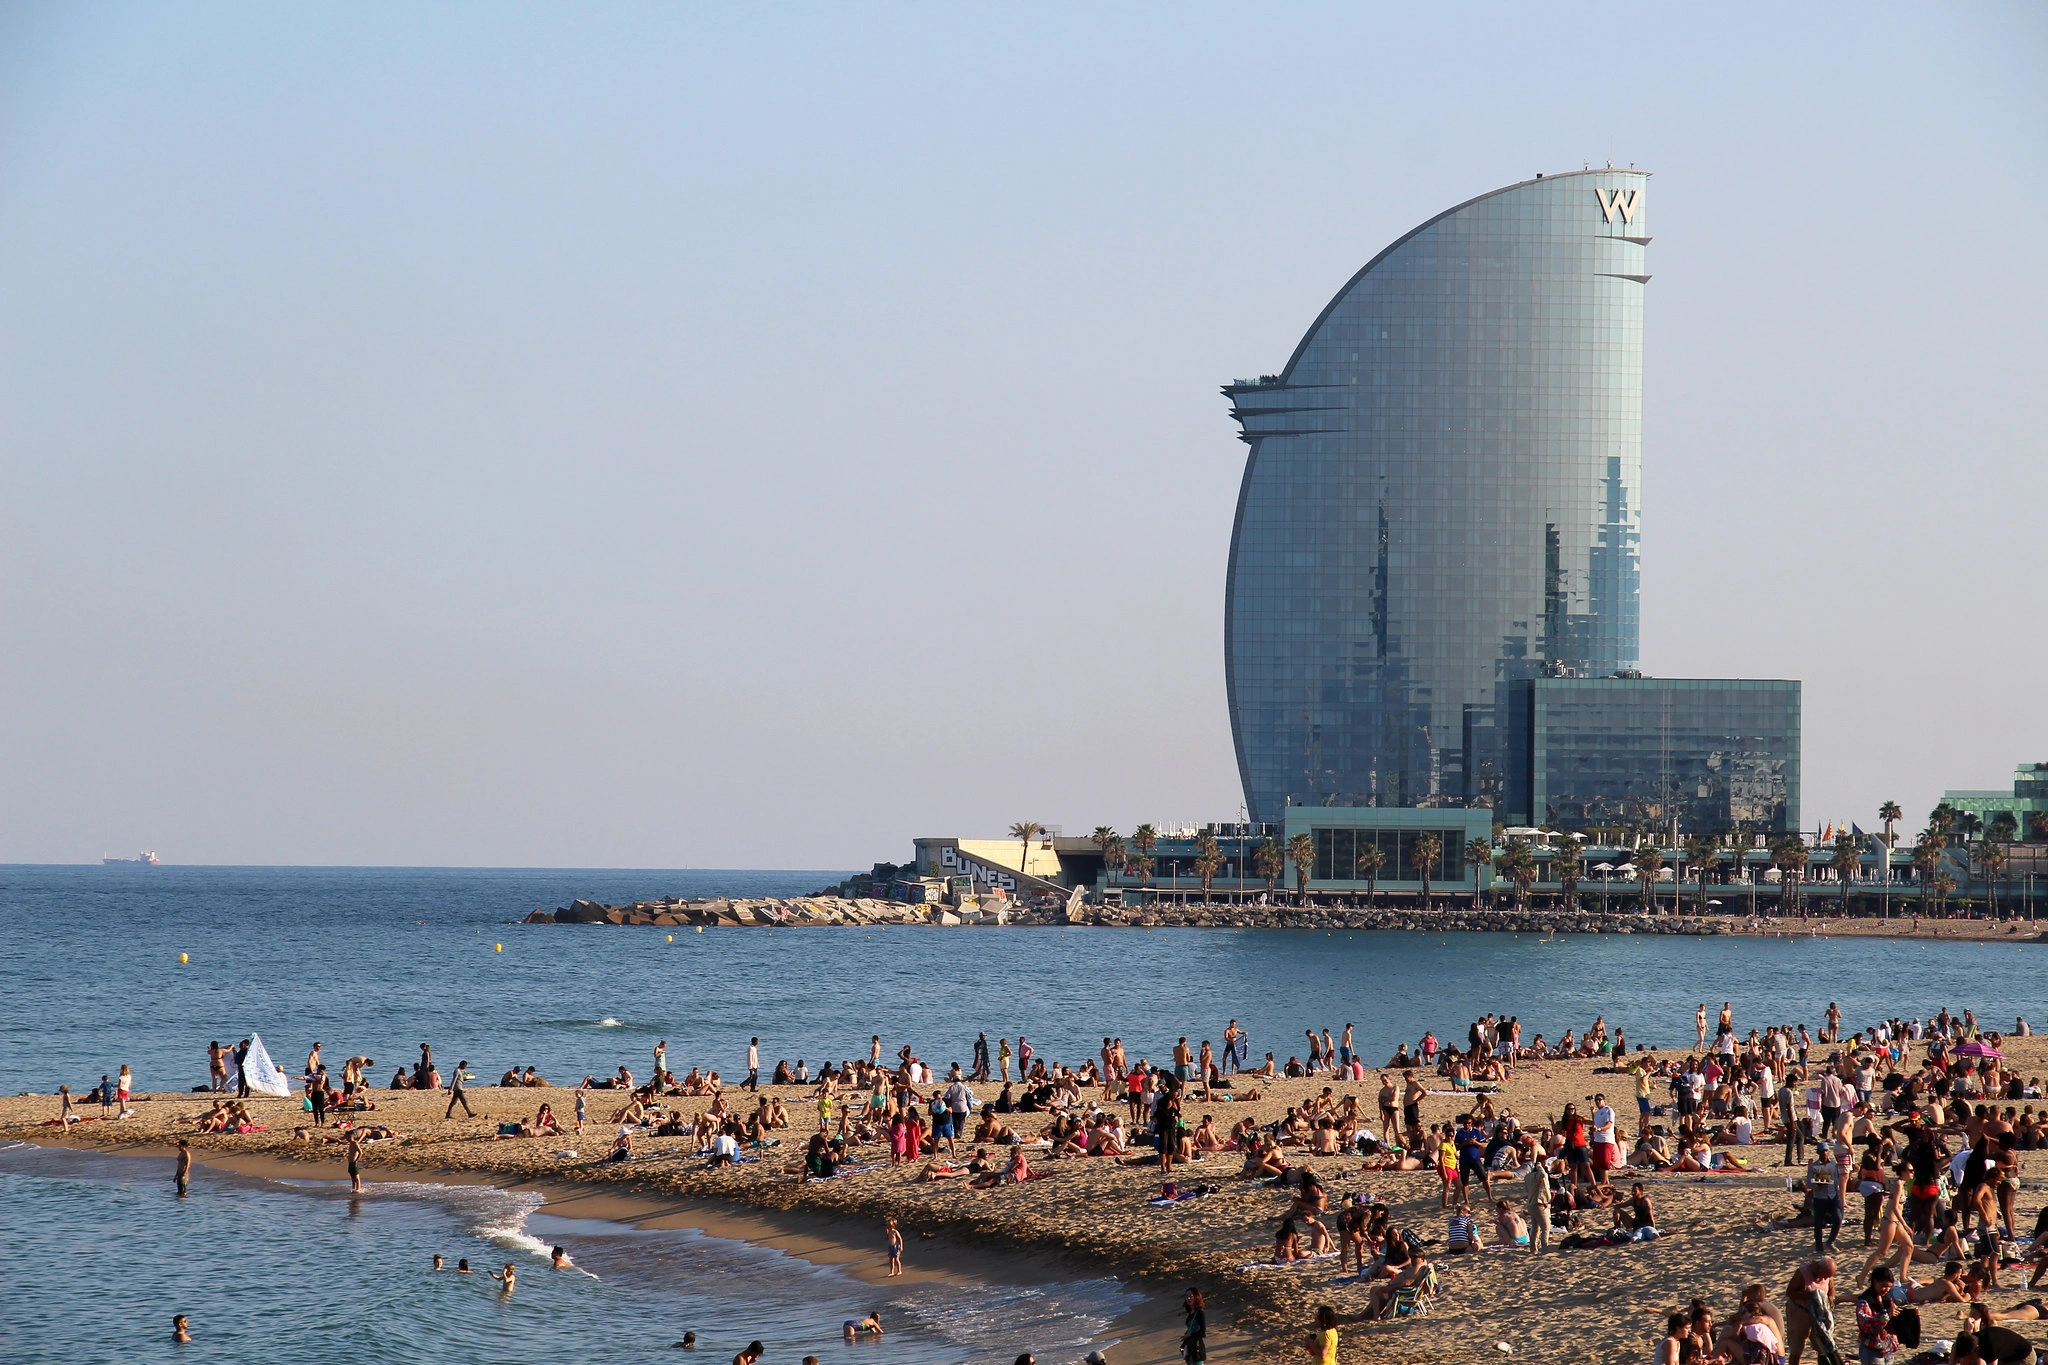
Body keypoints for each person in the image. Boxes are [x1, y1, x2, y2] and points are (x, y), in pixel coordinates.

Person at [1784, 1257, 1837, 1365]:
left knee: (1822, 1344)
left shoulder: (1827, 1276)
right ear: (1818, 1268)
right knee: (1797, 1346)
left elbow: (1831, 1289)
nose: (1825, 1278)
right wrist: (1811, 1296)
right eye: (1825, 1275)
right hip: (1801, 1310)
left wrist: (1831, 1298)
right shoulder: (1803, 1273)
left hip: (1818, 1313)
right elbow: (1790, 1292)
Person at [1180, 1286, 1207, 1364]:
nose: (1188, 1298)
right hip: (1190, 1347)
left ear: (1196, 1297)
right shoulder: (1191, 1313)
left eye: (1191, 1296)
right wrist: (1184, 1341)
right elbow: (1190, 1329)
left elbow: (1202, 1332)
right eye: (1187, 1296)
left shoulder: (1199, 1313)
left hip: (1197, 1348)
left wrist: (1189, 1336)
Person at [343, 1127, 365, 1194]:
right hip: (350, 1162)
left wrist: (356, 1161)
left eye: (346, 1136)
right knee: (352, 1177)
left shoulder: (355, 1143)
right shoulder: (350, 1144)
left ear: (351, 1136)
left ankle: (358, 1190)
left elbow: (361, 1152)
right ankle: (353, 1189)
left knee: (357, 1177)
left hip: (354, 1162)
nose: (345, 1138)